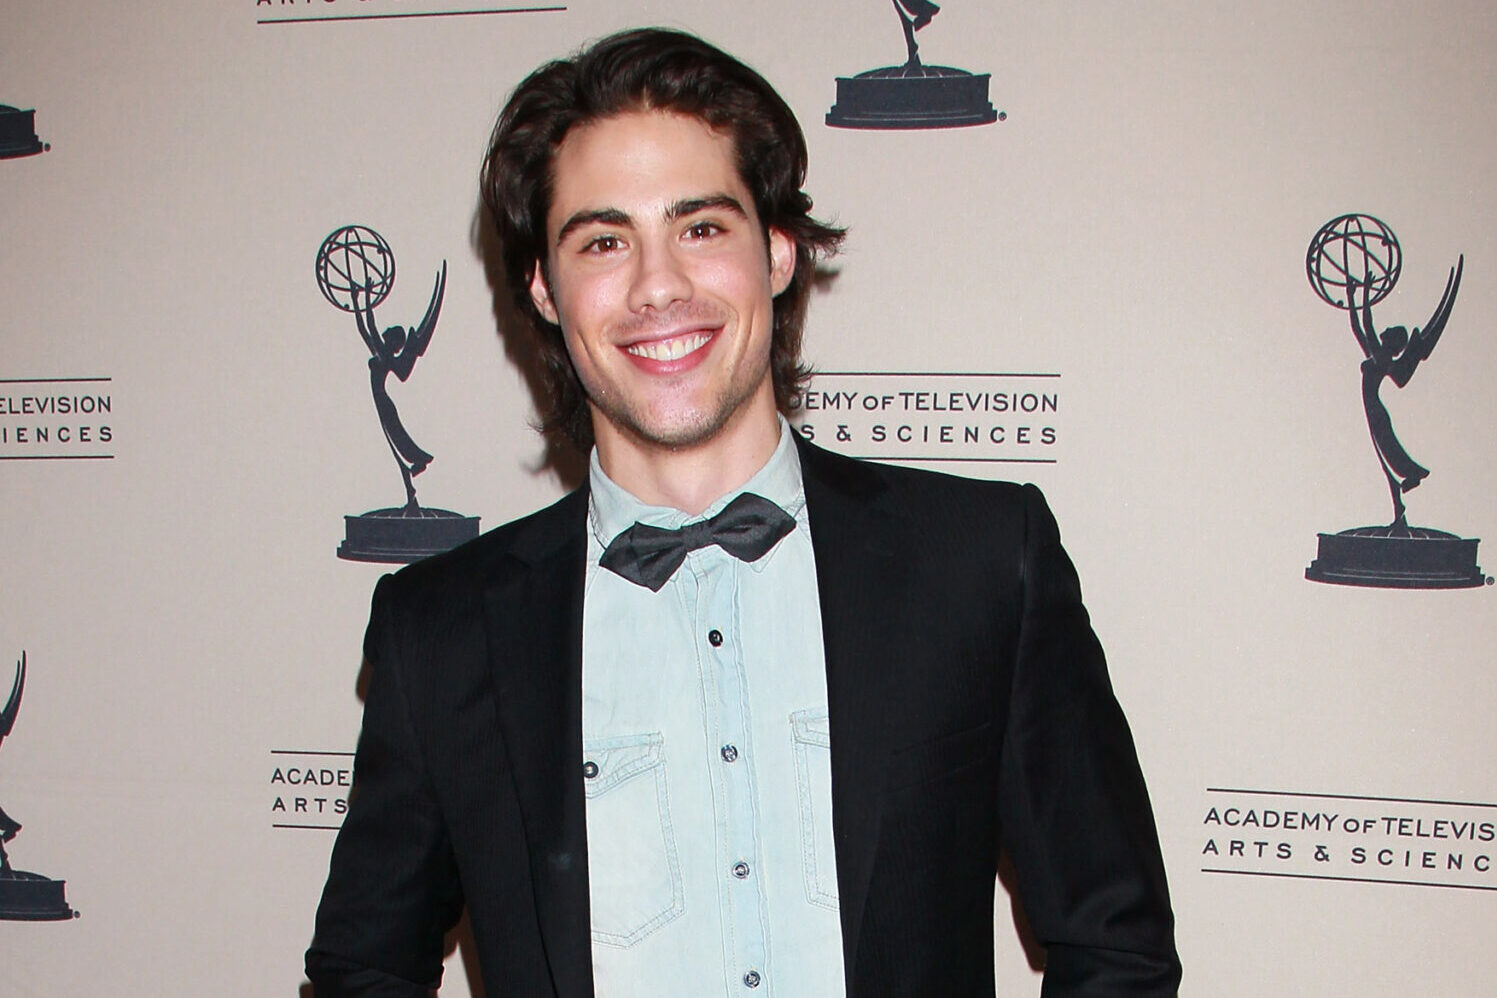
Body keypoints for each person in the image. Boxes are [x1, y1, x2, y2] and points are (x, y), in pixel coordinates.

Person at [306, 27, 1180, 997]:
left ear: (776, 249)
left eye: (701, 226)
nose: (658, 285)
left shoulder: (978, 562)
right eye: (603, 240)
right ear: (544, 289)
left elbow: (1117, 942)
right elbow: (362, 966)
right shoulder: (443, 631)